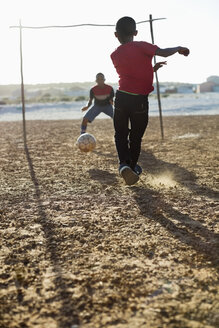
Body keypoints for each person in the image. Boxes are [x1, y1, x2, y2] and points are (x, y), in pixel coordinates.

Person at [111, 16, 189, 185]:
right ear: (136, 33)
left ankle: (123, 164)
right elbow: (162, 51)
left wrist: (151, 69)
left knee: (120, 134)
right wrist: (177, 48)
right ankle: (131, 167)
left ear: (116, 35)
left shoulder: (114, 55)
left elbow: (131, 72)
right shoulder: (142, 46)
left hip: (122, 97)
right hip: (139, 100)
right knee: (136, 137)